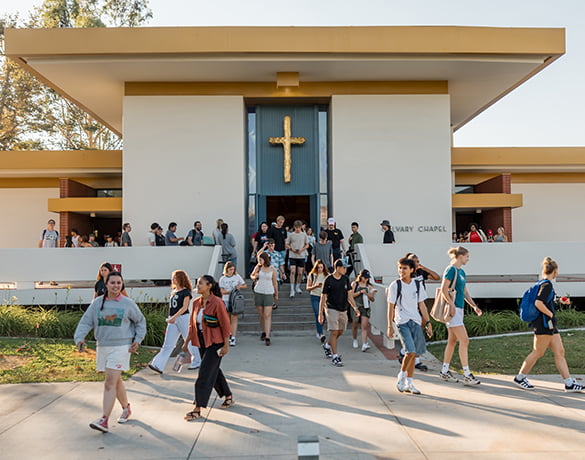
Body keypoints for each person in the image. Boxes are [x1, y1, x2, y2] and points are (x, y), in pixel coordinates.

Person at [74, 271, 147, 433]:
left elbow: (140, 322)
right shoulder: (97, 303)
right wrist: (79, 338)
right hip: (103, 346)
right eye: (112, 283)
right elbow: (86, 321)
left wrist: (137, 339)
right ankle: (126, 408)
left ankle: (104, 420)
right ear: (106, 285)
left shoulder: (128, 304)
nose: (116, 286)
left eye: (119, 283)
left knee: (109, 382)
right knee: (116, 381)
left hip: (122, 347)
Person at [513, 257, 583, 392]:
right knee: (538, 352)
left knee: (560, 352)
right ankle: (520, 378)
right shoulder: (547, 285)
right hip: (543, 324)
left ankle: (569, 383)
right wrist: (550, 314)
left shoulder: (542, 283)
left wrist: (559, 300)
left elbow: (546, 300)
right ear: (555, 271)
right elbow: (538, 303)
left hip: (549, 325)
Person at [183, 275, 233, 421]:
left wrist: (226, 344)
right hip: (202, 341)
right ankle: (228, 395)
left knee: (204, 373)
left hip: (216, 342)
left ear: (209, 286)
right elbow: (192, 325)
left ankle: (198, 408)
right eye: (197, 284)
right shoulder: (196, 302)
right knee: (214, 370)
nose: (197, 286)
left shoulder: (217, 302)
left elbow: (225, 325)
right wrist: (186, 342)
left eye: (200, 284)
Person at [387, 257, 433, 395]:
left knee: (414, 355)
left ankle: (410, 383)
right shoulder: (395, 285)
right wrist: (389, 325)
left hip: (416, 321)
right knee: (410, 351)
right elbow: (390, 306)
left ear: (412, 270)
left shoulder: (417, 284)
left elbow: (422, 305)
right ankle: (401, 376)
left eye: (405, 268)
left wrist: (428, 322)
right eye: (400, 268)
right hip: (402, 322)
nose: (401, 271)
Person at [439, 246, 483, 385]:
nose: (468, 259)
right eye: (467, 256)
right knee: (464, 340)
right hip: (453, 310)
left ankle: (445, 371)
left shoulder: (462, 272)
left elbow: (464, 291)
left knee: (452, 341)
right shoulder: (451, 269)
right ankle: (467, 374)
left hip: (460, 309)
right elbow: (443, 290)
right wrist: (451, 305)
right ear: (460, 256)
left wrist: (474, 306)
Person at [149, 270, 201, 374]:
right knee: (168, 344)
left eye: (174, 277)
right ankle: (157, 365)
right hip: (173, 319)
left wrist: (174, 317)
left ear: (180, 278)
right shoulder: (174, 291)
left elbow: (184, 307)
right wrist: (171, 317)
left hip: (183, 318)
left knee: (189, 339)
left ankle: (197, 360)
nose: (172, 279)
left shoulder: (186, 292)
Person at [399, 253, 441, 371]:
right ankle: (411, 357)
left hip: (420, 303)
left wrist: (423, 268)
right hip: (408, 308)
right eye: (414, 261)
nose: (416, 263)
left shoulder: (421, 272)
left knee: (418, 331)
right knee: (412, 333)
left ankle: (406, 353)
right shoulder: (406, 275)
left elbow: (437, 277)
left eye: (418, 261)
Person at [319, 259, 359, 367]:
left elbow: (349, 295)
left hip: (343, 309)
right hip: (331, 308)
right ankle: (335, 356)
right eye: (344, 267)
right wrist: (320, 313)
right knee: (334, 331)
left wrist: (355, 307)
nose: (345, 270)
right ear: (337, 268)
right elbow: (323, 297)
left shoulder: (345, 280)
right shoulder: (328, 280)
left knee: (340, 331)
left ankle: (327, 345)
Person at [250, 252, 278, 346]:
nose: (259, 261)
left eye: (261, 260)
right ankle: (263, 331)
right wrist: (255, 276)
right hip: (258, 291)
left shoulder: (272, 269)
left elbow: (275, 282)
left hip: (269, 292)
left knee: (267, 315)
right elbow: (252, 275)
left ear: (265, 259)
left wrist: (276, 294)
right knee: (261, 314)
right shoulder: (258, 267)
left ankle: (267, 336)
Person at [219, 261, 247, 347]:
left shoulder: (237, 277)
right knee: (227, 319)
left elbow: (245, 285)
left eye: (233, 270)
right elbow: (222, 291)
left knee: (234, 318)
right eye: (230, 269)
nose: (231, 271)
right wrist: (230, 292)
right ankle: (228, 334)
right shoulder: (222, 279)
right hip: (226, 300)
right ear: (226, 269)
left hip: (235, 300)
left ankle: (233, 337)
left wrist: (239, 287)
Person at [350, 269, 376, 352]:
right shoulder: (355, 284)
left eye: (367, 278)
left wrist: (368, 293)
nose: (366, 279)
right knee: (355, 324)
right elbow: (351, 295)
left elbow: (372, 299)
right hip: (357, 306)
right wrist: (360, 292)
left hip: (365, 307)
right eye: (365, 277)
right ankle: (355, 339)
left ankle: (364, 343)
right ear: (361, 277)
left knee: (364, 326)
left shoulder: (369, 286)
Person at [306, 259, 329, 342]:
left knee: (323, 314)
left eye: (321, 267)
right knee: (317, 313)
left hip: (324, 297)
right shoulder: (312, 275)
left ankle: (320, 330)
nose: (320, 269)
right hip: (314, 295)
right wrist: (315, 286)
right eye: (318, 267)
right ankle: (320, 333)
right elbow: (307, 288)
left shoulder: (327, 275)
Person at [286, 220, 309, 298]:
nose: (298, 229)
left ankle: (297, 286)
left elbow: (307, 245)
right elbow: (286, 244)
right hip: (292, 255)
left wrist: (302, 250)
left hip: (301, 255)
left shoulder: (304, 235)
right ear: (294, 227)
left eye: (299, 227)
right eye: (296, 228)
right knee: (292, 271)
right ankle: (292, 289)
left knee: (300, 272)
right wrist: (292, 249)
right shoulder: (291, 235)